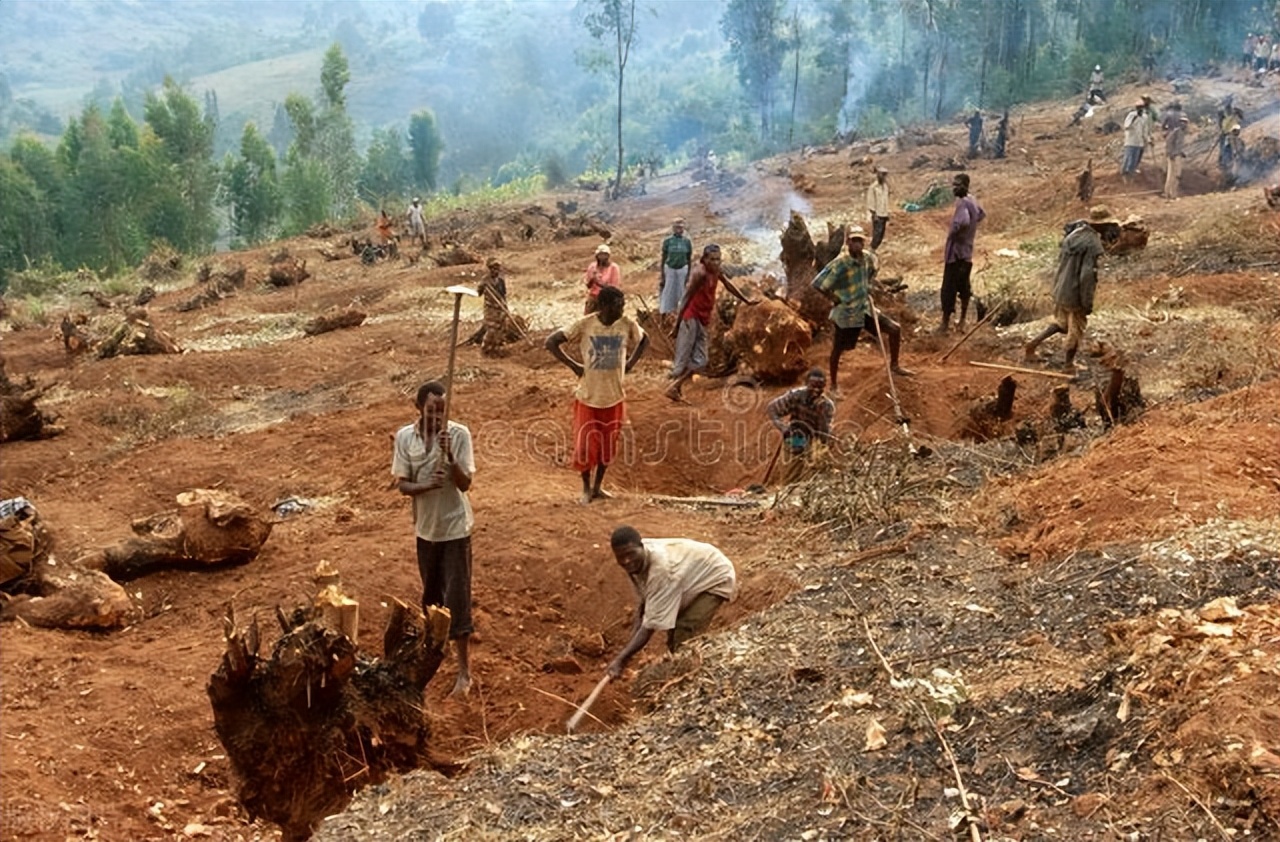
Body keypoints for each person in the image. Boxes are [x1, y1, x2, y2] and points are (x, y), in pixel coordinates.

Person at [391, 381, 476, 697]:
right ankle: (432, 663)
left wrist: (450, 458)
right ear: (418, 407)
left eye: (442, 409)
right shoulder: (404, 438)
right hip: (426, 529)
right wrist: (426, 484)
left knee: (458, 598)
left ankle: (464, 673)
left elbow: (466, 484)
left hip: (455, 528)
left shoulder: (459, 434)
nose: (437, 415)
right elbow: (402, 485)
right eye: (431, 409)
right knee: (431, 597)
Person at [545, 286, 648, 504]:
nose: (622, 309)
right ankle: (585, 488)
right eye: (618, 305)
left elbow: (644, 340)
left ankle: (598, 487)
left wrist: (629, 364)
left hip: (614, 397)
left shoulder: (627, 324)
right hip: (588, 397)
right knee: (585, 447)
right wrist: (574, 366)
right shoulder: (585, 324)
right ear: (604, 306)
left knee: (607, 448)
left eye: (623, 305)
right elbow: (551, 341)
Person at [605, 525, 738, 679]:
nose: (626, 561)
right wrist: (629, 648)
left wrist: (622, 659)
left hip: (715, 576)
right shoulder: (635, 562)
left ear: (641, 547)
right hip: (688, 575)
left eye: (630, 554)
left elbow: (649, 626)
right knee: (674, 637)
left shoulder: (661, 571)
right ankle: (679, 670)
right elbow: (644, 605)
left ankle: (688, 680)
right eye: (620, 557)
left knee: (685, 631)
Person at [812, 224, 913, 392]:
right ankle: (834, 386)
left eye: (860, 241)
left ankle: (895, 365)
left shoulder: (867, 258)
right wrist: (834, 298)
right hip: (847, 312)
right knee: (838, 349)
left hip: (865, 308)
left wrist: (867, 287)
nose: (857, 244)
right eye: (854, 241)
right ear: (848, 242)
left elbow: (872, 271)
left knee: (894, 329)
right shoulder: (840, 264)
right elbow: (818, 283)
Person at [1022, 206, 1120, 373]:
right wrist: (1086, 302)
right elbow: (1087, 276)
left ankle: (1032, 345)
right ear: (1102, 225)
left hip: (1061, 287)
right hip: (1075, 293)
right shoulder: (1093, 244)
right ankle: (1068, 365)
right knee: (1076, 329)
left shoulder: (1074, 234)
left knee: (1061, 323)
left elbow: (1062, 262)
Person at [666, 244, 758, 401]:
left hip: (702, 317)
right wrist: (676, 326)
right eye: (712, 260)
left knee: (700, 359)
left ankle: (675, 386)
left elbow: (728, 285)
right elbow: (686, 299)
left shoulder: (716, 271)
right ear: (704, 259)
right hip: (691, 317)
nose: (716, 263)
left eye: (718, 259)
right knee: (690, 358)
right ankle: (674, 386)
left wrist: (746, 300)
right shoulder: (700, 274)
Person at [766, 368, 836, 483]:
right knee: (789, 478)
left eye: (820, 387)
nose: (816, 390)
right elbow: (772, 409)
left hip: (813, 441)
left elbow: (824, 436)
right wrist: (783, 428)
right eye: (813, 386)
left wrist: (821, 414)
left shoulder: (827, 406)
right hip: (795, 437)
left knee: (812, 478)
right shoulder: (795, 396)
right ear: (806, 384)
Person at [939, 173, 985, 333]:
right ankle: (962, 321)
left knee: (948, 289)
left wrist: (953, 233)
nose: (954, 188)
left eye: (957, 185)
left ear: (965, 185)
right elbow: (981, 214)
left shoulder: (962, 204)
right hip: (967, 252)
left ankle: (945, 325)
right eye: (954, 185)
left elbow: (962, 222)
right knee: (964, 287)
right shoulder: (972, 200)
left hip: (956, 254)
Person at [657, 219, 693, 320]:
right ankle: (664, 314)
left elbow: (689, 258)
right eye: (677, 227)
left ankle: (682, 315)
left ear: (683, 229)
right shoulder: (668, 241)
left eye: (681, 227)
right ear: (673, 228)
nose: (679, 229)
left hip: (682, 269)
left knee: (682, 292)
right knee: (667, 292)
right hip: (670, 269)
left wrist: (688, 275)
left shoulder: (687, 242)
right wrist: (663, 275)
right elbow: (664, 257)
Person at [476, 257, 513, 355]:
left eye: (497, 269)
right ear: (489, 269)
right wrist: (482, 287)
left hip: (500, 307)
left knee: (501, 328)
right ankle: (485, 348)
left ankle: (496, 349)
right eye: (493, 268)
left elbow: (503, 295)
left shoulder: (500, 281)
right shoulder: (485, 280)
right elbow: (479, 293)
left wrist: (505, 307)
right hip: (490, 308)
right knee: (491, 329)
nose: (495, 271)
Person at [584, 243, 621, 314]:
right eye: (600, 255)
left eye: (604, 255)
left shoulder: (613, 268)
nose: (602, 257)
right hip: (593, 297)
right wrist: (592, 279)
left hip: (607, 299)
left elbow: (614, 288)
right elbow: (588, 285)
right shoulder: (592, 266)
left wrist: (599, 283)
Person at [1121, 100, 1151, 176]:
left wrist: (1148, 140)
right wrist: (1134, 119)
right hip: (1131, 140)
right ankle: (1124, 172)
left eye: (1142, 108)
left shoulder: (1145, 117)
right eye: (1139, 108)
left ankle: (1132, 171)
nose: (1141, 109)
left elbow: (1145, 130)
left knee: (1136, 158)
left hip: (1139, 141)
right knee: (1129, 157)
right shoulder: (1131, 115)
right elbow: (1126, 126)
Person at [1163, 115, 1189, 200]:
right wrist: (1171, 154)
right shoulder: (1177, 132)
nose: (1184, 124)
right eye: (1182, 122)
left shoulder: (1180, 132)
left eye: (1185, 123)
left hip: (1177, 154)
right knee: (1174, 175)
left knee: (1175, 175)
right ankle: (1170, 194)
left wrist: (1181, 153)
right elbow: (1169, 143)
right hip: (1174, 156)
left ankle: (1171, 193)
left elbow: (1177, 145)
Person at [865, 168, 891, 250]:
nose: (882, 177)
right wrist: (874, 214)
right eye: (881, 174)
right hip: (877, 215)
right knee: (877, 234)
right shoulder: (873, 187)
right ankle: (872, 249)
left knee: (881, 234)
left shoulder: (885, 187)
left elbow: (885, 200)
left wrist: (887, 212)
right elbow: (871, 201)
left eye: (884, 175)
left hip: (884, 214)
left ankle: (874, 249)